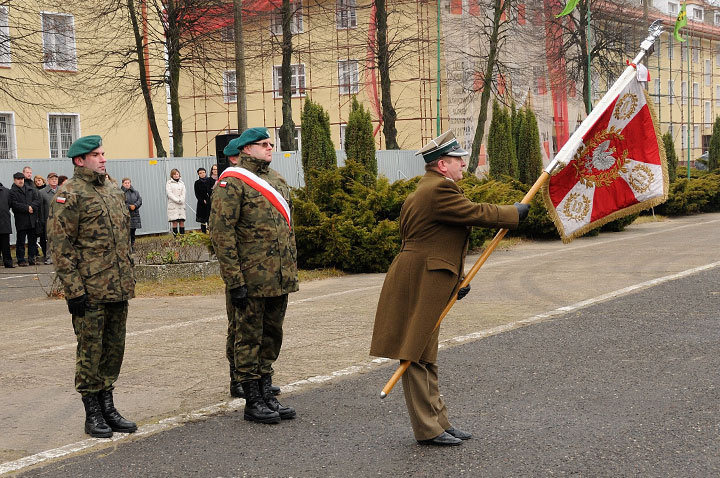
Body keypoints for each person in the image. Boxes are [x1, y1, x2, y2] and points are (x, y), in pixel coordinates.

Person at [369, 131, 530, 447]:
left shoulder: (429, 189)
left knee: (425, 353)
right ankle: (428, 429)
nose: (462, 165)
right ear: (442, 164)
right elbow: (476, 213)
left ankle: (439, 422)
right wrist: (513, 213)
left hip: (425, 276)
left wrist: (454, 280)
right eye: (458, 160)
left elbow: (437, 238)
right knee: (414, 354)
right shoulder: (439, 189)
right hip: (420, 278)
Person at [47, 135, 137, 439]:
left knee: (114, 349)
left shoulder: (112, 189)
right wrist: (74, 291)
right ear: (79, 160)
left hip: (118, 287)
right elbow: (61, 246)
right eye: (96, 155)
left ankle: (108, 405)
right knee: (90, 351)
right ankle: (93, 412)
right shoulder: (69, 194)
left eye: (103, 153)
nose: (103, 159)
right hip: (90, 290)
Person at [210, 127, 297, 424]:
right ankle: (252, 398)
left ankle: (265, 390)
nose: (269, 147)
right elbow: (222, 234)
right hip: (250, 277)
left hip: (279, 275)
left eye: (270, 143)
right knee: (248, 337)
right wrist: (234, 280)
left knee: (272, 335)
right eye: (263, 144)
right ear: (246, 149)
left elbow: (286, 228)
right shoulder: (232, 183)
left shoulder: (275, 179)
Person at [9, 172, 41, 266]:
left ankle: (32, 259)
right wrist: (27, 208)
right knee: (21, 241)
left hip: (32, 220)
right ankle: (21, 260)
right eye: (18, 179)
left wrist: (32, 207)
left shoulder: (30, 189)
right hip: (21, 220)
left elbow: (37, 201)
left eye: (22, 179)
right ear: (14, 180)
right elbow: (14, 204)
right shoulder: (12, 192)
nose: (20, 181)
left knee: (32, 241)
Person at [34, 175, 51, 263]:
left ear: (43, 180)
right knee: (43, 238)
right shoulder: (36, 191)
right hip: (42, 218)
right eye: (36, 181)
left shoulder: (47, 191)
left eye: (39, 180)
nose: (38, 182)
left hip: (49, 217)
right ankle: (45, 254)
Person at [121, 178, 142, 250]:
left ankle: (132, 245)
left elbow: (139, 200)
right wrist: (129, 207)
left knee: (133, 231)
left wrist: (135, 205)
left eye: (128, 183)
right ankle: (127, 247)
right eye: (125, 183)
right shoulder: (120, 193)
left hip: (134, 215)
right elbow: (121, 202)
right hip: (126, 214)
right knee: (127, 232)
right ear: (123, 184)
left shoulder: (135, 192)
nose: (127, 184)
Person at [166, 168, 186, 235]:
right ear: (172, 175)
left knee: (181, 221)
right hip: (173, 204)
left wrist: (182, 199)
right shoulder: (169, 183)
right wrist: (176, 200)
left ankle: (182, 237)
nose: (176, 175)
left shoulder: (182, 183)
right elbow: (169, 194)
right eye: (174, 174)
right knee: (174, 222)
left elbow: (184, 192)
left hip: (181, 204)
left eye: (177, 174)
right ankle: (176, 238)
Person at [194, 167, 213, 233]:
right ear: (198, 174)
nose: (202, 174)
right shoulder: (197, 183)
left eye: (203, 172)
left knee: (210, 218)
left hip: (210, 202)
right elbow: (197, 194)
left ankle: (211, 232)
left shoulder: (210, 180)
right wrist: (202, 200)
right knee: (203, 220)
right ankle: (204, 232)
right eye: (200, 173)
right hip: (201, 203)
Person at [0, 180, 13, 268]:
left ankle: (8, 262)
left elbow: (10, 204)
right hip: (4, 220)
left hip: (4, 221)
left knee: (5, 244)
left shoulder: (6, 191)